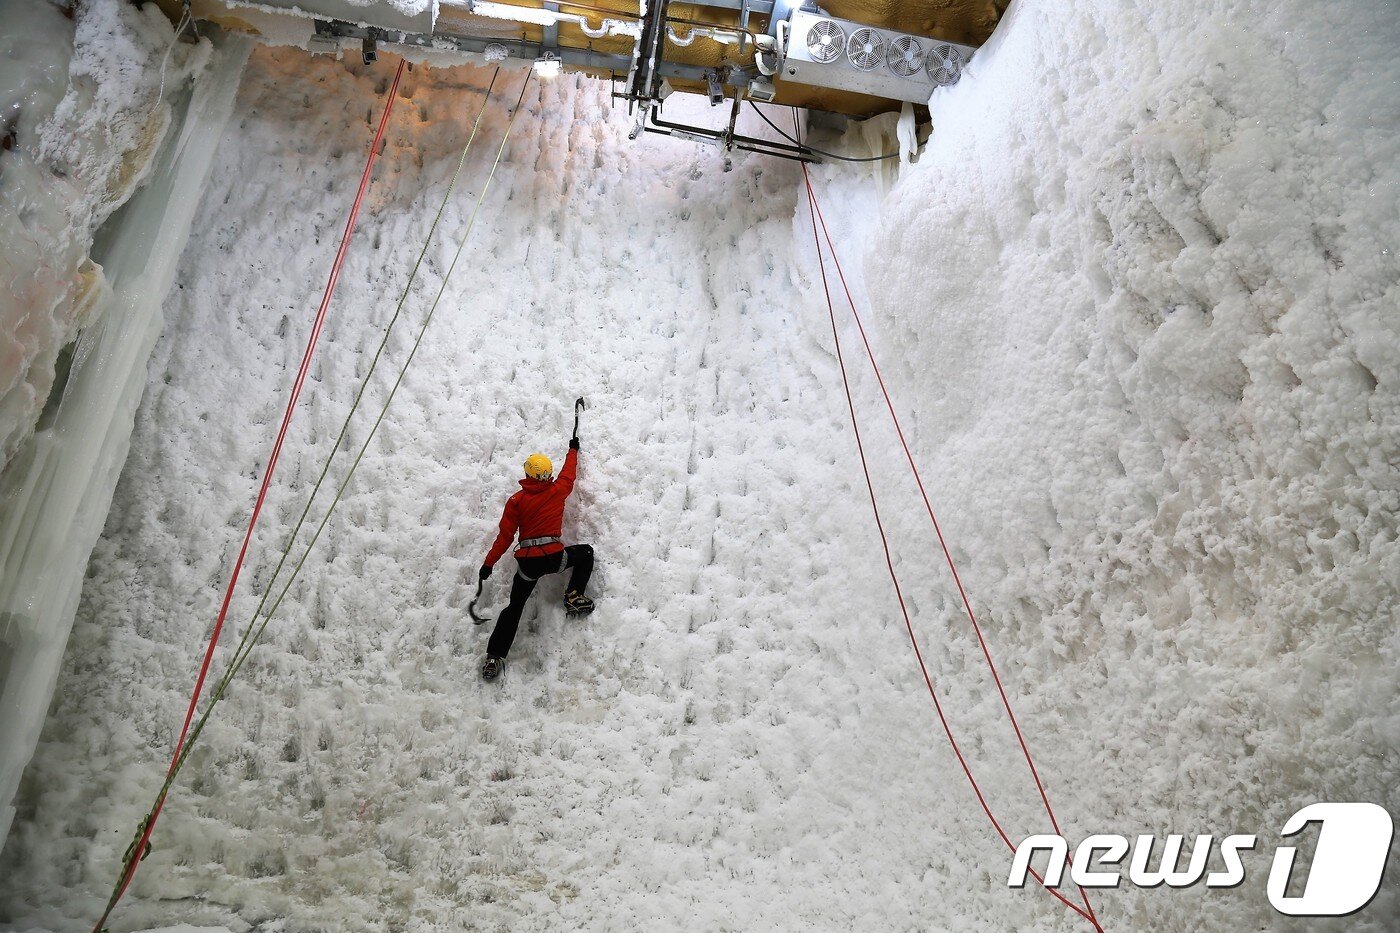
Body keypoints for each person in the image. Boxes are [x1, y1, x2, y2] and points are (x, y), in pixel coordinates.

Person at [478, 434, 594, 680]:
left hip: (528, 566)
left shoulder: (516, 501)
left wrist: (488, 564)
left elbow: (504, 538)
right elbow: (568, 475)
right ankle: (574, 595)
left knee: (514, 608)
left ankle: (494, 657)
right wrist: (573, 450)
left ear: (528, 475)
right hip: (554, 558)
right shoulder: (557, 490)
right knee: (585, 553)